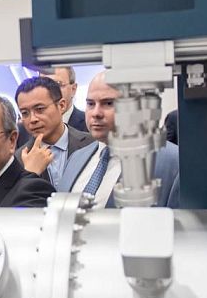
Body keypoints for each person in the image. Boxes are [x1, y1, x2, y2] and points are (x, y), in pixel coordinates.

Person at [57, 72, 179, 208]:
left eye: (108, 103)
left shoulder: (172, 163)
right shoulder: (76, 159)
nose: (96, 113)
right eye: (90, 104)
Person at [14, 77, 93, 188]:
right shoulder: (18, 160)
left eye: (40, 109)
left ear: (61, 106)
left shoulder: (92, 144)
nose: (33, 119)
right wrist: (30, 174)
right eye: (25, 113)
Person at [43, 66, 87, 132]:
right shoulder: (28, 128)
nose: (49, 91)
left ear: (73, 89)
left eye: (57, 84)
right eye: (43, 85)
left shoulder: (90, 124)